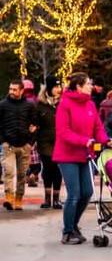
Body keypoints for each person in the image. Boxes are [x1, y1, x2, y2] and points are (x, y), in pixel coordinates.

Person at [54, 72, 109, 245]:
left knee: (87, 192)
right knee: (74, 194)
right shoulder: (65, 104)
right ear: (78, 86)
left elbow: (98, 127)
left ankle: (74, 225)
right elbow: (63, 132)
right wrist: (84, 141)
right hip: (67, 155)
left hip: (85, 154)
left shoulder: (91, 105)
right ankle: (68, 231)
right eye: (88, 83)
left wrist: (105, 139)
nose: (91, 86)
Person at [0, 79, 38, 210]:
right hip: (8, 145)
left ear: (22, 91)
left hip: (24, 145)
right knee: (9, 172)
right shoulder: (3, 105)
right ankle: (9, 198)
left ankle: (18, 199)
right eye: (10, 89)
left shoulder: (30, 105)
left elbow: (35, 124)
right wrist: (3, 141)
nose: (11, 92)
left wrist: (30, 143)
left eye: (14, 89)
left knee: (22, 175)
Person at [35, 78, 63, 209]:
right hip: (44, 141)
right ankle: (47, 198)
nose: (59, 89)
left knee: (58, 169)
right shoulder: (40, 104)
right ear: (49, 88)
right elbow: (35, 123)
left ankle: (56, 199)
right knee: (48, 168)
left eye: (60, 87)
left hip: (61, 141)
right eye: (56, 87)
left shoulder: (63, 104)